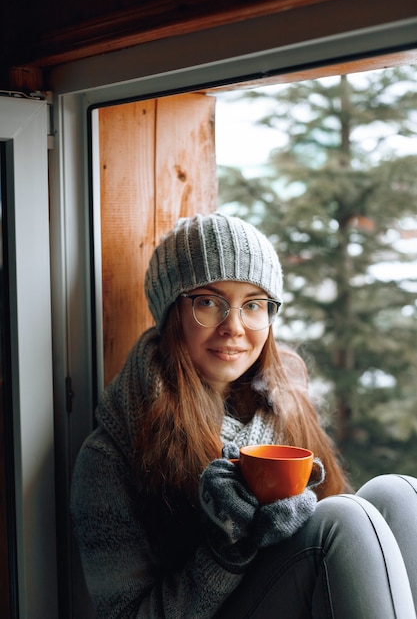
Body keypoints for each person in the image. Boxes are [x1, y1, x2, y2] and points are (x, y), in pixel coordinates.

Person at [71, 212, 417, 618]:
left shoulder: (283, 406)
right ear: (171, 315)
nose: (234, 326)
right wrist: (227, 552)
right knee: (344, 517)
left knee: (399, 494)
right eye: (208, 302)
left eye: (253, 304)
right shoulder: (110, 457)